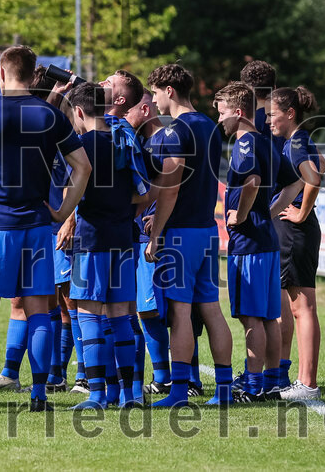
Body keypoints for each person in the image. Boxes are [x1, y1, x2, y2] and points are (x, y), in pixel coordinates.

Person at [0, 47, 90, 413]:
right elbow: (83, 168)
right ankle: (39, 394)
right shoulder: (50, 114)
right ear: (32, 75)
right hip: (37, 227)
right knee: (38, 311)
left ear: (1, 72)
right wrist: (62, 211)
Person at [144, 64, 233, 407]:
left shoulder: (177, 129)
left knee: (180, 312)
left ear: (169, 89)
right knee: (211, 309)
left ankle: (179, 392)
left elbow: (170, 187)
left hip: (181, 234)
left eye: (154, 92)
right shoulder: (210, 126)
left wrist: (158, 232)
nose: (153, 100)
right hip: (207, 230)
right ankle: (223, 390)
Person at [214, 82, 302, 402]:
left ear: (238, 113)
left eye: (222, 113)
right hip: (266, 241)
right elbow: (293, 184)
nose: (219, 120)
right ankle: (272, 381)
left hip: (249, 243)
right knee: (267, 317)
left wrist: (240, 213)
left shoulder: (245, 144)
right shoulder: (267, 142)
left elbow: (251, 182)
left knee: (252, 317)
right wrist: (269, 210)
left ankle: (252, 386)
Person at [65, 83, 147, 409]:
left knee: (88, 314)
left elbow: (69, 193)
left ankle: (97, 394)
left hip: (91, 239)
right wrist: (120, 208)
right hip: (124, 239)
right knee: (120, 316)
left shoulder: (79, 145)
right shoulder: (126, 139)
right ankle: (129, 395)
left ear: (80, 112)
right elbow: (144, 192)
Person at [269, 86, 325, 400]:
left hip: (296, 232)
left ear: (290, 113)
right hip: (297, 231)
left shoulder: (295, 143)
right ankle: (304, 382)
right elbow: (323, 166)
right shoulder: (300, 139)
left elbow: (315, 177)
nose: (269, 120)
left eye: (273, 114)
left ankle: (307, 384)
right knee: (299, 307)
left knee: (302, 308)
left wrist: (302, 213)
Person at [125, 93, 171, 396]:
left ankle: (168, 376)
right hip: (143, 235)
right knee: (147, 309)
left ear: (144, 109)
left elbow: (172, 183)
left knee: (151, 310)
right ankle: (160, 377)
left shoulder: (164, 140)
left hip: (153, 237)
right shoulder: (142, 142)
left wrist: (156, 218)